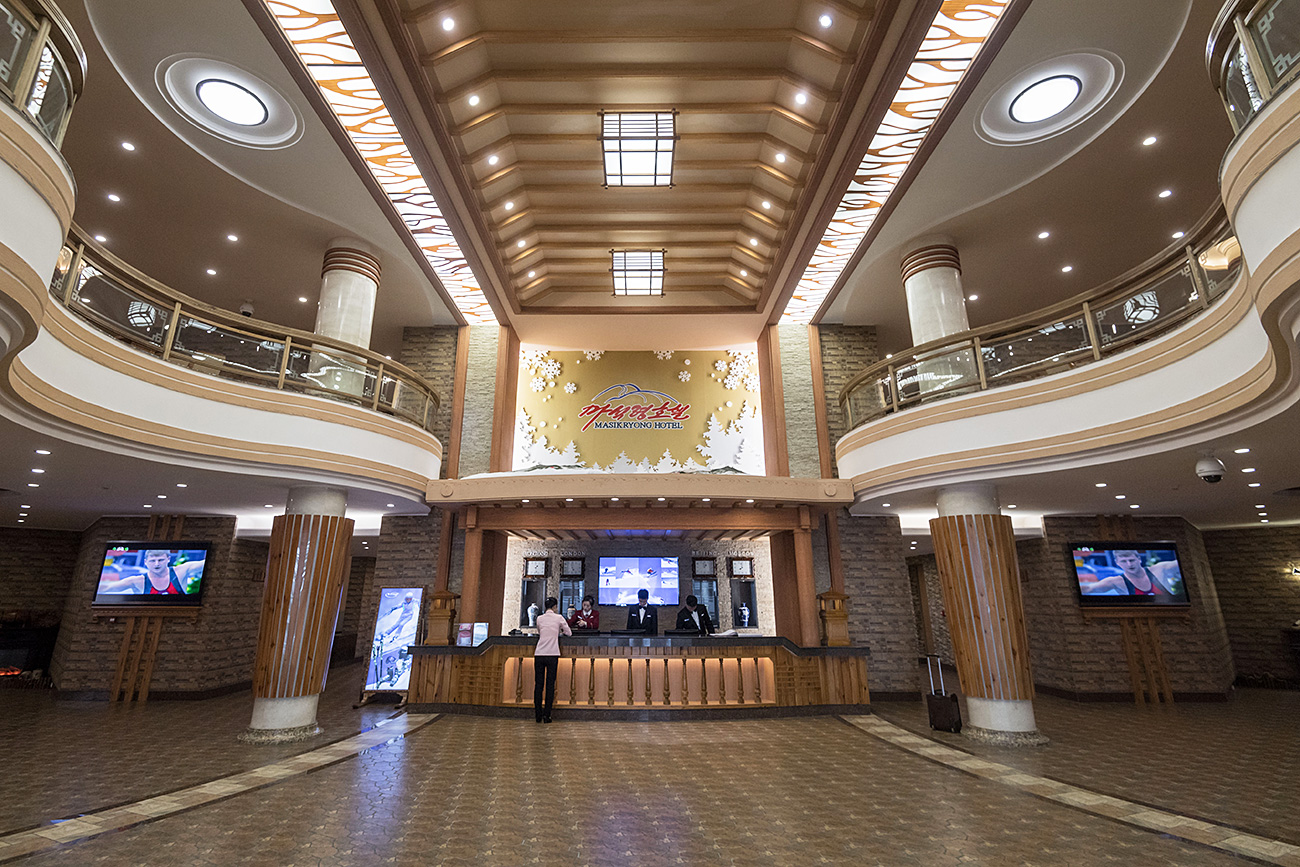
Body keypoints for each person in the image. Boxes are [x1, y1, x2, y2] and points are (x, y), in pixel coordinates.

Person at [99, 550, 203, 595]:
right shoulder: (137, 581)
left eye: (161, 560)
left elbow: (205, 563)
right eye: (153, 561)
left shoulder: (181, 571)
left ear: (168, 559)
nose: (157, 564)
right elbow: (107, 588)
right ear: (146, 562)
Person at [533, 596, 570, 724]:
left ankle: (538, 715)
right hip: (552, 654)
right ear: (555, 607)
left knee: (538, 685)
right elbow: (569, 633)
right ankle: (547, 716)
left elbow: (539, 631)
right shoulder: (559, 618)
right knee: (549, 685)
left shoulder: (539, 618)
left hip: (539, 654)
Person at [1081, 550, 1181, 596]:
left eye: (1132, 560)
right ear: (1117, 563)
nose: (1129, 564)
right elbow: (1089, 588)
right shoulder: (1117, 582)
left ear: (1139, 559)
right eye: (1124, 561)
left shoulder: (1159, 569)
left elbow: (1181, 563)